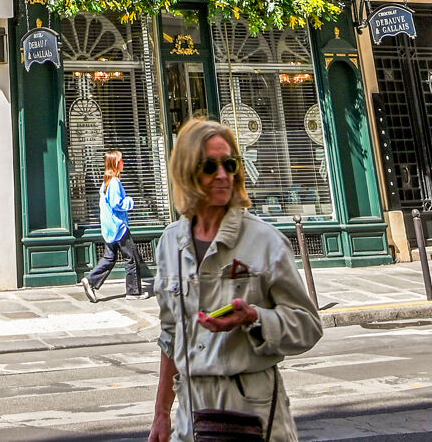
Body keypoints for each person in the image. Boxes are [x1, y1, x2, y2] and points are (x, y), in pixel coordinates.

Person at [148, 119, 321, 442]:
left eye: (230, 164)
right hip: (191, 413)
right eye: (210, 166)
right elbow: (170, 335)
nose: (223, 175)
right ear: (187, 172)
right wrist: (161, 414)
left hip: (250, 412)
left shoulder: (265, 241)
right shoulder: (170, 243)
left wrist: (255, 318)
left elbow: (308, 326)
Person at [83, 150, 145, 299]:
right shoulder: (115, 182)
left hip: (109, 228)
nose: (124, 163)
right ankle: (133, 292)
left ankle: (90, 280)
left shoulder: (106, 181)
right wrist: (130, 202)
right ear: (116, 163)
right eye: (122, 160)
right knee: (132, 258)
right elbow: (117, 203)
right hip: (119, 227)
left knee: (110, 257)